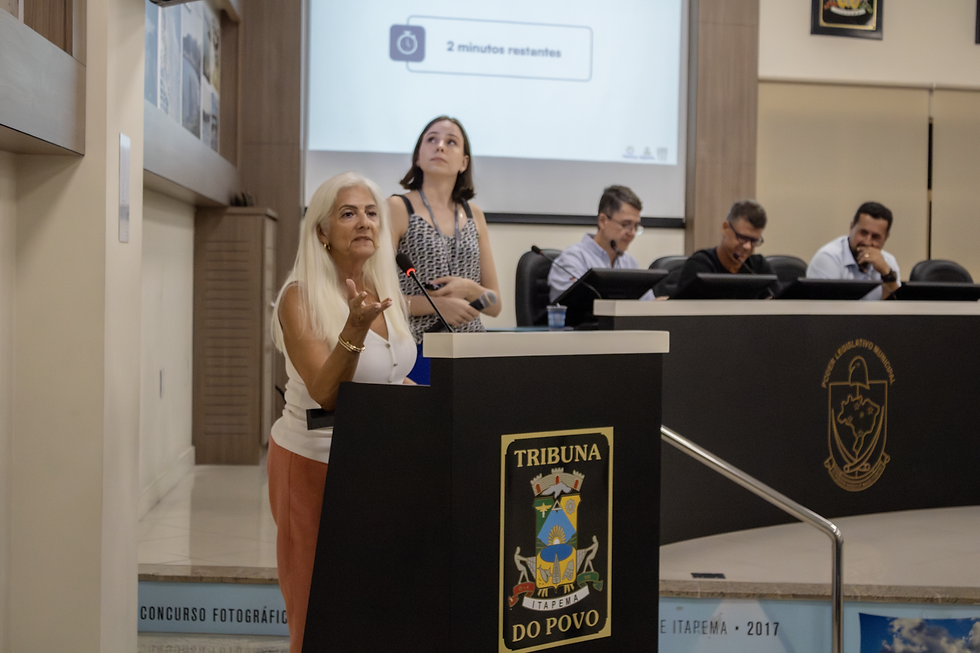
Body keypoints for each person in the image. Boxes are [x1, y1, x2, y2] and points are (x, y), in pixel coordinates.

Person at [268, 172, 416, 652]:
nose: (364, 222)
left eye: (372, 213)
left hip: (376, 467)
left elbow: (391, 374)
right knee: (317, 616)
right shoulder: (300, 297)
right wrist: (354, 328)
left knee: (370, 605)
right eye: (348, 213)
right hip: (314, 466)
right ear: (322, 231)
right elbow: (328, 392)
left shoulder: (384, 289)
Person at [387, 116, 501, 381]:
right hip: (417, 349)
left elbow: (495, 305)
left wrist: (471, 289)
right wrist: (437, 306)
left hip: (472, 350)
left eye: (451, 142)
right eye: (432, 139)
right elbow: (381, 300)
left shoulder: (475, 215)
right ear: (418, 157)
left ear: (464, 162)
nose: (440, 146)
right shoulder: (396, 207)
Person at [547, 185, 649, 302]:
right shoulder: (573, 260)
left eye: (635, 226)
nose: (632, 233)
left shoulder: (630, 263)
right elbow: (572, 309)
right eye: (626, 224)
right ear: (603, 221)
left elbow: (647, 305)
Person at [669, 199, 775, 297]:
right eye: (742, 237)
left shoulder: (759, 267)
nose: (747, 246)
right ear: (725, 228)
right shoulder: (700, 265)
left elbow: (779, 303)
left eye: (754, 241)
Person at [806, 201, 900, 300]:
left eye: (875, 237)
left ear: (885, 238)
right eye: (863, 233)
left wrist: (887, 275)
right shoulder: (828, 258)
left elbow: (897, 310)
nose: (867, 242)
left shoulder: (888, 262)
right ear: (851, 227)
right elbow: (826, 310)